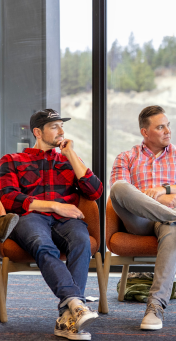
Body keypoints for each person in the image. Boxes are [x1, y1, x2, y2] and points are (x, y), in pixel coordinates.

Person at [0, 109, 103, 340]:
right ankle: (77, 302)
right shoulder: (12, 160)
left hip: (67, 221)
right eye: (54, 126)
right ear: (37, 132)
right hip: (30, 218)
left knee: (81, 241)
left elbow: (95, 192)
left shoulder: (69, 161)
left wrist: (72, 155)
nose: (61, 131)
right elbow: (8, 197)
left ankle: (68, 317)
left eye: (61, 126)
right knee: (42, 244)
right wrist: (54, 206)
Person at [109, 105, 176, 331]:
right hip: (139, 220)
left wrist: (165, 189)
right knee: (119, 188)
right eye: (160, 127)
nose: (167, 131)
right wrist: (157, 200)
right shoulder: (126, 157)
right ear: (145, 132)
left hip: (171, 221)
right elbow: (121, 193)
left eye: (168, 125)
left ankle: (155, 306)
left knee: (171, 226)